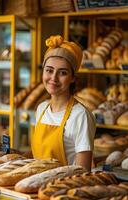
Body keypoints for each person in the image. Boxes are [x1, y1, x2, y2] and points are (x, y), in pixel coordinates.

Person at [31, 35, 96, 171]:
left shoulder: (81, 115)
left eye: (62, 73)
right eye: (49, 70)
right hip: (34, 187)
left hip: (61, 189)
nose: (53, 78)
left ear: (72, 78)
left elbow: (82, 171)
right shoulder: (41, 109)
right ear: (42, 72)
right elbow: (38, 158)